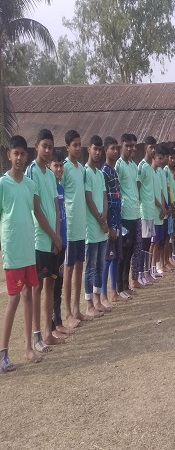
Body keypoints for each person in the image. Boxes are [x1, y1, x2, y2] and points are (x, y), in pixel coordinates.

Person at [0, 135, 42, 371]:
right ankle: (3, 353)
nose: (19, 158)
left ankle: (28, 347)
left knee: (28, 294)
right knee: (14, 298)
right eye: (15, 153)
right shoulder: (2, 184)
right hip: (13, 251)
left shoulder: (29, 185)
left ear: (27, 156)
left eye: (22, 154)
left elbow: (35, 212)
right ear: (9, 155)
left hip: (28, 249)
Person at [25, 129, 63, 352]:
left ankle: (48, 333)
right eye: (44, 146)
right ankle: (36, 335)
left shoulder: (49, 174)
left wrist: (57, 237)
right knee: (37, 287)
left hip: (53, 240)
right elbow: (37, 209)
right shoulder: (32, 171)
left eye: (50, 146)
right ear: (36, 146)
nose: (47, 150)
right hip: (40, 239)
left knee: (51, 283)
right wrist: (52, 236)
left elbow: (56, 207)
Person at [62, 129, 90, 326]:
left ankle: (77, 309)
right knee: (69, 268)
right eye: (75, 145)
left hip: (81, 227)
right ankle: (67, 312)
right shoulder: (63, 168)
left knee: (80, 266)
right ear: (67, 147)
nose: (78, 148)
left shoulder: (81, 168)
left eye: (80, 144)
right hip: (70, 227)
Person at [84, 135, 109, 317]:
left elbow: (104, 197)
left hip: (102, 226)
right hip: (92, 228)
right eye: (95, 149)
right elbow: (88, 198)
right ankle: (88, 304)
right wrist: (101, 220)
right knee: (90, 267)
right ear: (89, 149)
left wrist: (105, 215)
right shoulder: (85, 172)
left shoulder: (100, 174)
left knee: (100, 265)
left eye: (100, 149)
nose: (98, 152)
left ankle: (98, 300)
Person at [49, 150, 73, 339]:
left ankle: (58, 322)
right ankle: (50, 327)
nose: (59, 169)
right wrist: (54, 239)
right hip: (53, 244)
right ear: (49, 167)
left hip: (63, 241)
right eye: (55, 166)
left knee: (58, 285)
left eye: (60, 166)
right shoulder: (49, 188)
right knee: (50, 286)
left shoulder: (61, 188)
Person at [115, 133, 141, 294]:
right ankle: (120, 287)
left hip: (135, 213)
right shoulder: (118, 165)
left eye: (132, 146)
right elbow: (116, 190)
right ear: (121, 146)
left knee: (131, 250)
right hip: (124, 214)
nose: (131, 149)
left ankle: (126, 284)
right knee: (123, 252)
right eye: (127, 146)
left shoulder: (133, 165)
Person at [101, 136, 122, 306]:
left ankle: (114, 291)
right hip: (110, 224)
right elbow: (105, 201)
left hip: (117, 220)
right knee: (107, 259)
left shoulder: (114, 171)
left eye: (116, 148)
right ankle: (103, 295)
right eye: (112, 148)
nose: (115, 151)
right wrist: (109, 226)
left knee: (116, 257)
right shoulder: (104, 172)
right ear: (105, 150)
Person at [137, 136, 157, 283]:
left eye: (154, 147)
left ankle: (147, 272)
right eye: (151, 147)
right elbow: (138, 187)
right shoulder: (142, 166)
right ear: (145, 148)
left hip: (151, 211)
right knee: (143, 244)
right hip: (143, 211)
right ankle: (140, 273)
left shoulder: (150, 167)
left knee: (149, 242)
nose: (153, 150)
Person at [150, 145, 170, 277]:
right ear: (154, 157)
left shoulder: (158, 172)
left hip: (160, 213)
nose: (161, 161)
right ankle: (151, 268)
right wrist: (161, 208)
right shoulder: (150, 172)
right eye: (159, 158)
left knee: (158, 241)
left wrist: (164, 208)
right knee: (152, 243)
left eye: (163, 158)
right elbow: (151, 194)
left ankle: (155, 266)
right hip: (153, 212)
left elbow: (162, 192)